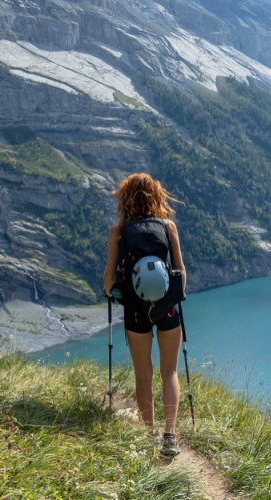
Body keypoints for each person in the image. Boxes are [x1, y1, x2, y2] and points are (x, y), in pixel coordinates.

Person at [104, 173, 186, 457]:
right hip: (168, 308)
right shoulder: (168, 226)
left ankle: (149, 435)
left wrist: (110, 292)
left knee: (143, 376)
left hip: (135, 309)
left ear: (125, 199)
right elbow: (180, 272)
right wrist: (175, 296)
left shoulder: (118, 231)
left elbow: (109, 277)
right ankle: (170, 437)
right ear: (157, 196)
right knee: (169, 372)